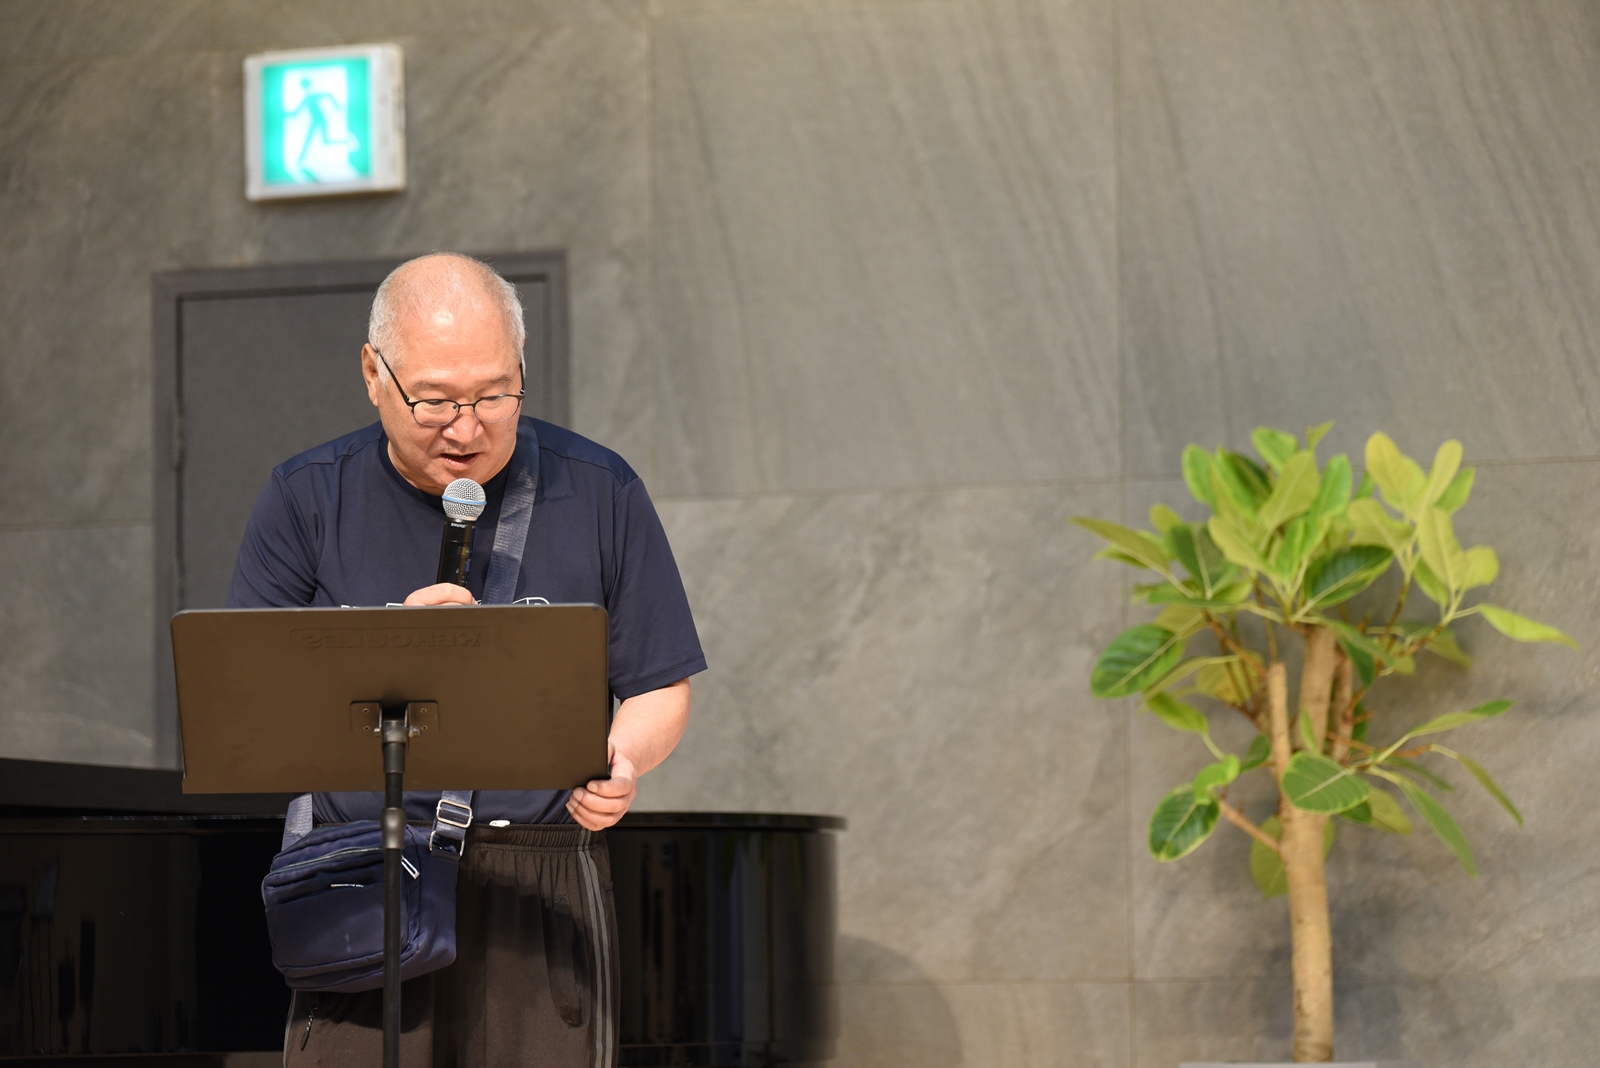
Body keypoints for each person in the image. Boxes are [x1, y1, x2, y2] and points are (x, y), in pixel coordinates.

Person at [228, 252, 705, 1067]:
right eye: (436, 400)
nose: (466, 427)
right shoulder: (306, 497)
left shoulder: (600, 490)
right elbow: (247, 701)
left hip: (540, 877)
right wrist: (390, 649)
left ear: (522, 370)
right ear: (373, 374)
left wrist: (621, 758)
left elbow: (659, 683)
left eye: (494, 396)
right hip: (366, 870)